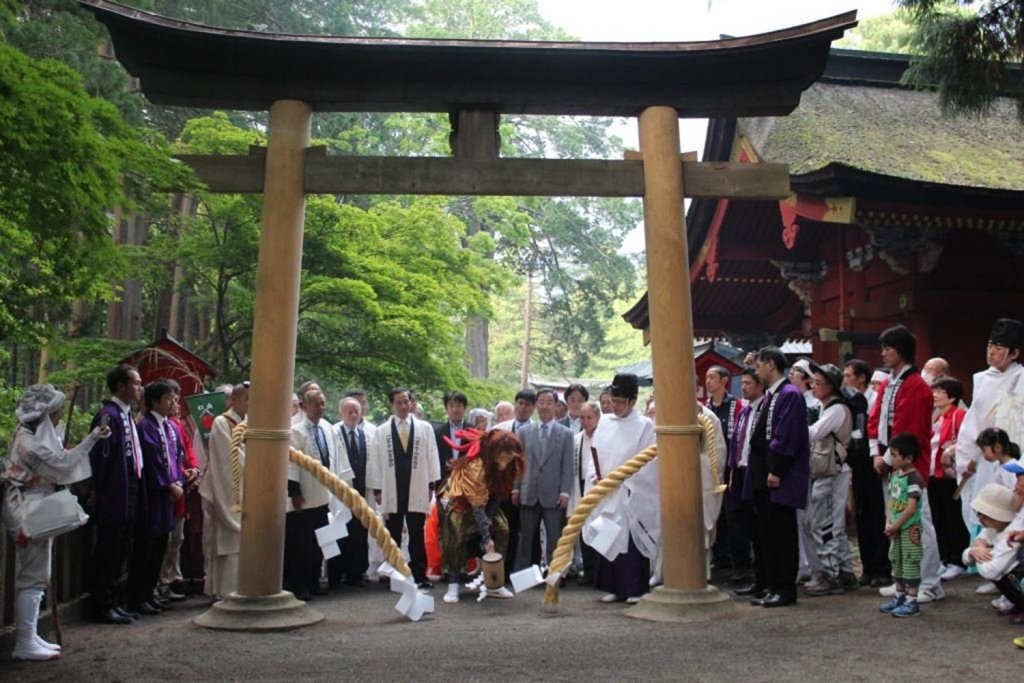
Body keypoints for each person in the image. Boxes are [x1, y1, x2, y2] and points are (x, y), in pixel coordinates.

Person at [3, 384, 109, 660]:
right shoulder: (32, 444)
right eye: (56, 410)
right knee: (33, 576)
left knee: (38, 575)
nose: (60, 414)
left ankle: (30, 635)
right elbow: (62, 466)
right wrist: (92, 439)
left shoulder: (29, 434)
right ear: (45, 414)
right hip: (28, 509)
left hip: (33, 504)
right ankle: (24, 642)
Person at [868, 325, 945, 604]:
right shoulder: (890, 383)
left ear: (901, 350)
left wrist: (886, 458)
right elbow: (875, 419)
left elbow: (909, 431)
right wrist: (877, 453)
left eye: (888, 348)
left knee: (918, 523)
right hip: (891, 462)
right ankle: (903, 579)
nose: (884, 353)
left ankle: (930, 582)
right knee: (896, 523)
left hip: (910, 465)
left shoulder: (916, 387)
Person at [741, 347, 809, 608]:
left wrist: (777, 470)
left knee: (782, 534)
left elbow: (786, 435)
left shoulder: (789, 394)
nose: (756, 371)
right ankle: (771, 584)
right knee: (767, 533)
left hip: (779, 474)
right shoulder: (774, 394)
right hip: (763, 472)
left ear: (770, 365)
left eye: (758, 366)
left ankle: (784, 588)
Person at [587, 373, 656, 603]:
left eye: (620, 402)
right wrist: (596, 478)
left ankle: (636, 588)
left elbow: (649, 462)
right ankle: (614, 587)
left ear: (633, 401)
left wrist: (625, 481)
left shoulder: (645, 425)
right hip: (607, 490)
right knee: (609, 537)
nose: (615, 406)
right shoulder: (604, 422)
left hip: (631, 491)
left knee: (631, 540)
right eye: (612, 401)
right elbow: (593, 455)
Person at [439, 429, 526, 603]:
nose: (506, 462)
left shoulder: (510, 464)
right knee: (457, 531)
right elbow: (476, 506)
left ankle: (494, 582)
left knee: (502, 527)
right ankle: (454, 582)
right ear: (494, 453)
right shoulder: (476, 467)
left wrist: (489, 518)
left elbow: (500, 494)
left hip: (486, 502)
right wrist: (486, 538)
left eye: (510, 457)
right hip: (459, 501)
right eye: (503, 457)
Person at [367, 387, 441, 589]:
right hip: (392, 487)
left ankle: (419, 575)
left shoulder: (424, 428)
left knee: (417, 533)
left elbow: (432, 455)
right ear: (391, 404)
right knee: (393, 534)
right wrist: (377, 490)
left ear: (411, 403)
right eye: (398, 402)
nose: (403, 406)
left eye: (406, 402)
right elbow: (375, 461)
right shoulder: (382, 431)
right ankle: (394, 574)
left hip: (417, 486)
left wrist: (431, 484)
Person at [956, 319, 1024, 537]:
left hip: (1014, 455)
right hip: (985, 457)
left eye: (998, 348)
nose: (991, 352)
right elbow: (973, 421)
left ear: (1014, 353)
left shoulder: (1021, 378)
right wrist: (967, 454)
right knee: (984, 502)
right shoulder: (981, 379)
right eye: (989, 345)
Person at [88, 364, 144, 625]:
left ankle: (114, 601)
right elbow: (100, 458)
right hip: (113, 491)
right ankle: (102, 604)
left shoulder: (127, 415)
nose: (139, 388)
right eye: (135, 383)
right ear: (120, 386)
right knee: (108, 549)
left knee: (121, 547)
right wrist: (98, 489)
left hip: (129, 487)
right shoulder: (108, 415)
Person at [287, 387, 352, 600]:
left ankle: (315, 582)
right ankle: (301, 585)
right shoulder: (295, 430)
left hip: (325, 495)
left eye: (323, 403)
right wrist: (294, 492)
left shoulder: (327, 428)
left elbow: (336, 458)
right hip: (305, 496)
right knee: (302, 544)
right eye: (316, 404)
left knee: (320, 542)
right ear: (305, 407)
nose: (321, 408)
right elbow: (292, 464)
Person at [131, 379, 185, 615]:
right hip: (154, 496)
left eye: (174, 397)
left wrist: (181, 479)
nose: (173, 402)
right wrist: (169, 485)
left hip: (169, 496)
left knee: (161, 546)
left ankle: (150, 592)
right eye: (168, 398)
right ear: (155, 401)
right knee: (146, 547)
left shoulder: (170, 427)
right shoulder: (146, 427)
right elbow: (152, 462)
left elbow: (177, 457)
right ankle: (138, 596)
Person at [802, 362, 855, 596]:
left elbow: (815, 432)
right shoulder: (828, 407)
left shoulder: (836, 409)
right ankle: (845, 571)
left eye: (818, 383)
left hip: (832, 472)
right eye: (812, 382)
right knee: (833, 525)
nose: (813, 387)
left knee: (826, 524)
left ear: (830, 386)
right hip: (829, 470)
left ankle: (831, 576)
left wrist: (793, 426)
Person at [512, 389, 574, 571]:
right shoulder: (524, 432)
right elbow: (518, 463)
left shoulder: (566, 434)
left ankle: (555, 574)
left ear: (556, 406)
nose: (545, 406)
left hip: (553, 494)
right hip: (528, 491)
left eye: (549, 402)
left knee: (555, 537)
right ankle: (525, 574)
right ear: (536, 405)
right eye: (541, 402)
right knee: (526, 537)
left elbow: (567, 466)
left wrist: (565, 492)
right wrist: (515, 489)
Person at [198, 381, 248, 600]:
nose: (251, 403)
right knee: (226, 542)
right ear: (233, 400)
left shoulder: (251, 422)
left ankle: (245, 587)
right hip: (225, 488)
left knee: (244, 543)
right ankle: (223, 591)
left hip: (249, 488)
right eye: (247, 398)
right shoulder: (221, 422)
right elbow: (229, 458)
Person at [843, 358, 889, 587]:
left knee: (878, 515)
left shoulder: (874, 401)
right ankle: (867, 567)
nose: (845, 380)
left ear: (862, 378)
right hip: (857, 465)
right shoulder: (849, 402)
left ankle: (882, 567)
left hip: (874, 463)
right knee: (862, 516)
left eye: (849, 376)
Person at [879, 433, 926, 618]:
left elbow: (911, 508)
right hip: (896, 528)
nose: (892, 458)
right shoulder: (895, 476)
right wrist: (888, 522)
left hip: (909, 529)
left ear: (908, 458)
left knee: (910, 562)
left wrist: (897, 525)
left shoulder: (914, 478)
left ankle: (912, 601)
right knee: (896, 561)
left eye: (895, 455)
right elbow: (891, 501)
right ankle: (899, 596)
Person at [928, 377, 970, 582]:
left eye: (940, 391)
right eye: (934, 391)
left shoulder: (958, 415)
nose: (935, 394)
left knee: (952, 517)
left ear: (952, 396)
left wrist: (952, 449)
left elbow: (967, 441)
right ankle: (946, 558)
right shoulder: (937, 418)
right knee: (938, 517)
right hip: (934, 474)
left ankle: (957, 559)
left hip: (949, 476)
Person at [705, 365, 743, 577]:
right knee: (713, 513)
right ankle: (719, 558)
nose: (708, 381)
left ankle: (736, 561)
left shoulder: (735, 406)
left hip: (730, 467)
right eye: (707, 377)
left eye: (712, 377)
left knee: (732, 515)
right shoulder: (705, 407)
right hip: (710, 467)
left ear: (724, 380)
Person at [728, 367, 763, 587]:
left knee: (758, 526)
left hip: (755, 471)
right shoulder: (743, 411)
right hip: (739, 470)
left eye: (749, 383)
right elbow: (735, 443)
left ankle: (762, 576)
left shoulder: (764, 410)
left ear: (760, 386)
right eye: (743, 382)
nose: (744, 386)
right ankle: (749, 572)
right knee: (739, 522)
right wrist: (732, 470)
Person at [334, 397, 370, 587]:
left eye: (357, 411)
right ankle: (338, 573)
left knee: (359, 533)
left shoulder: (365, 435)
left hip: (361, 492)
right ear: (341, 413)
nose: (354, 415)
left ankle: (357, 572)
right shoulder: (334, 432)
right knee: (341, 531)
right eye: (350, 411)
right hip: (341, 493)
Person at [571, 401, 601, 583]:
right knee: (584, 530)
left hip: (598, 487)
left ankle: (599, 573)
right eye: (582, 417)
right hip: (580, 485)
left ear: (597, 417)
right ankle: (588, 572)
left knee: (598, 529)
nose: (586, 421)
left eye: (589, 417)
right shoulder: (576, 439)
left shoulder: (604, 437)